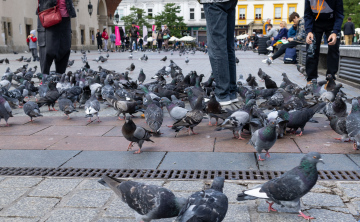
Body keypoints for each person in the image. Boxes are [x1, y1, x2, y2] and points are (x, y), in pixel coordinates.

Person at [203, 0, 238, 106]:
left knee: (217, 46)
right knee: (228, 46)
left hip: (214, 2)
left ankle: (222, 94)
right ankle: (231, 92)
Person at [304, 0, 344, 83]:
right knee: (311, 49)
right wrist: (309, 31)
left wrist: (335, 32)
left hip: (332, 22)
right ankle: (311, 79)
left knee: (334, 47)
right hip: (315, 22)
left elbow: (339, 15)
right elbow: (307, 15)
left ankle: (331, 78)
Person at [37, 0, 76, 76]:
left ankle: (60, 77)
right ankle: (44, 77)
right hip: (49, 15)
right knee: (48, 50)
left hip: (65, 17)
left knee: (64, 48)